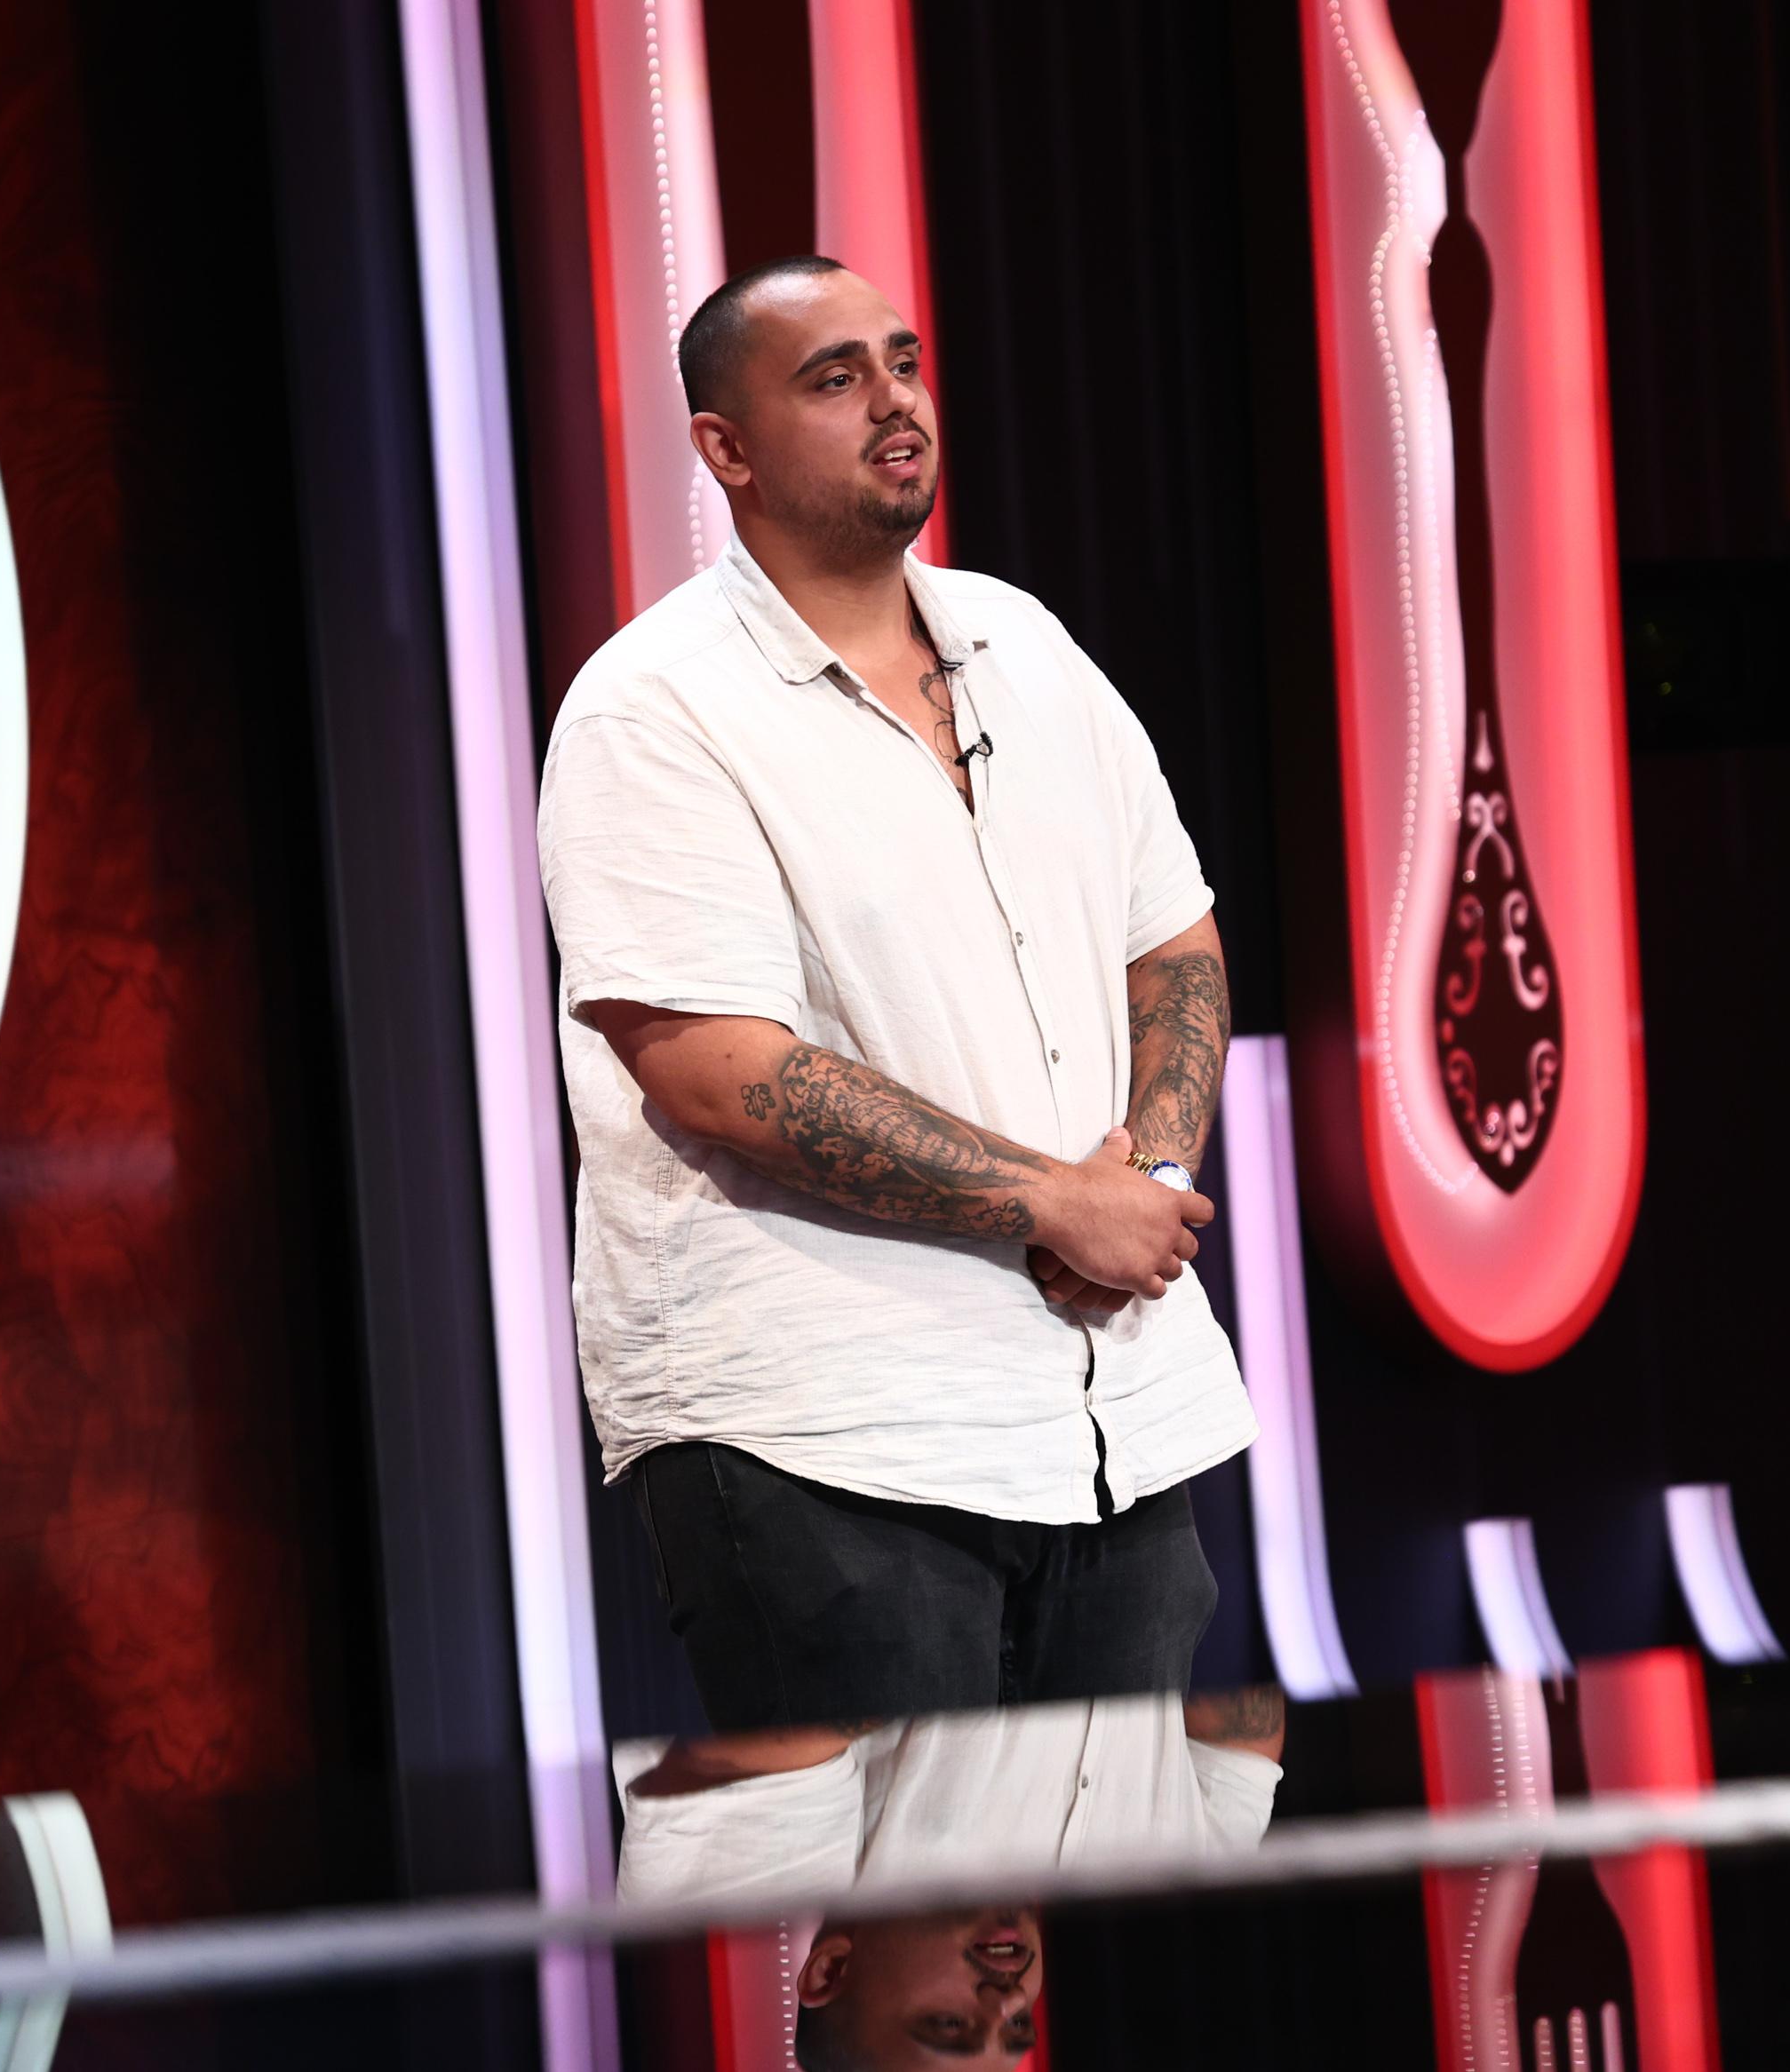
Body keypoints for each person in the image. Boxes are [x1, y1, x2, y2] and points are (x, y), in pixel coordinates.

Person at [537, 255, 1255, 1728]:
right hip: (829, 1444)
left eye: (904, 360)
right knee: (903, 1879)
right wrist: (1052, 1204)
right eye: (835, 377)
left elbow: (1173, 942)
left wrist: (1153, 1178)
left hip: (1109, 1422)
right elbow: (718, 1068)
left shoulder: (1029, 646)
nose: (895, 400)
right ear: (726, 448)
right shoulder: (652, 709)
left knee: (1128, 1873)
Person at [611, 1687, 1290, 2069]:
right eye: (1018, 2027)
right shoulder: (1175, 1863)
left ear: (830, 1970)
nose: (1006, 2000)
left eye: (947, 2023)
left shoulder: (727, 1902)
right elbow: (1242, 1717)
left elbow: (778, 1702)